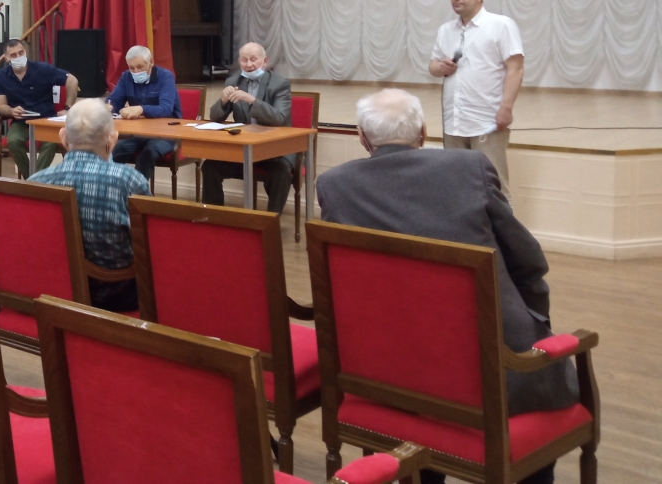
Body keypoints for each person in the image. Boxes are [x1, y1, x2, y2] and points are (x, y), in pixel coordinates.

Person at [317, 88, 577, 484]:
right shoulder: (469, 167)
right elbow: (529, 262)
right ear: (423, 132)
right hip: (496, 368)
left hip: (392, 365)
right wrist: (536, 320)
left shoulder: (335, 185)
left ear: (363, 138)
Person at [30, 99, 150, 312]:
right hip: (119, 295)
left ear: (63, 138)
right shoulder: (129, 181)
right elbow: (152, 248)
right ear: (112, 140)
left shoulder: (36, 182)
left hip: (58, 290)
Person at [429, 0, 523, 199]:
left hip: (487, 121)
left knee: (493, 188)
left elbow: (516, 68)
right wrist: (441, 67)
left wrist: (506, 108)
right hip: (453, 122)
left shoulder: (501, 25)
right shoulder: (445, 30)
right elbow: (432, 67)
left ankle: (501, 223)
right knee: (457, 186)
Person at [200, 42, 295, 213]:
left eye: (253, 59)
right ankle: (214, 217)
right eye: (244, 60)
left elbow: (279, 118)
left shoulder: (280, 84)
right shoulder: (233, 81)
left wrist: (251, 100)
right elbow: (215, 118)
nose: (249, 64)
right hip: (244, 149)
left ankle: (270, 222)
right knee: (210, 166)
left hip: (273, 151)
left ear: (264, 61)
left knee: (281, 173)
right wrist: (223, 100)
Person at [0, 39, 78, 179]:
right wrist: (11, 111)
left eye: (21, 53)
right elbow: (1, 106)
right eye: (13, 55)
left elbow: (72, 80)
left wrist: (68, 108)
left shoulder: (43, 69)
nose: (18, 57)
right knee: (13, 141)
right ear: (7, 58)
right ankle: (35, 180)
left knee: (51, 142)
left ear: (25, 52)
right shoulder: (0, 77)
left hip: (45, 120)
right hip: (21, 122)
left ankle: (35, 181)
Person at [107, 45, 180, 181]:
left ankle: (138, 191)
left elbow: (166, 109)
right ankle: (112, 188)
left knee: (147, 153)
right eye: (132, 68)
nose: (136, 71)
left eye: (140, 67)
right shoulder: (126, 77)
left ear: (151, 62)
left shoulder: (165, 76)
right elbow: (114, 102)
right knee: (113, 150)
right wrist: (108, 108)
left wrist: (141, 109)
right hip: (138, 133)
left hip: (165, 134)